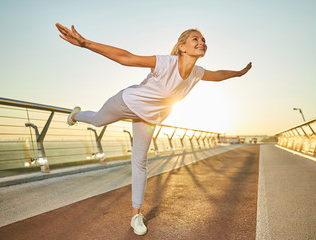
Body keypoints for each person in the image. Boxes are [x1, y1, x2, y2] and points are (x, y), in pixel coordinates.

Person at [55, 23, 252, 236]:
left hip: (147, 118)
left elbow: (219, 74)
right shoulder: (166, 62)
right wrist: (85, 43)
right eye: (195, 39)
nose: (201, 43)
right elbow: (126, 58)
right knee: (97, 121)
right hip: (126, 102)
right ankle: (75, 115)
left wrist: (239, 74)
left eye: (203, 40)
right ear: (182, 47)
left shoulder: (197, 72)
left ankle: (135, 215)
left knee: (140, 161)